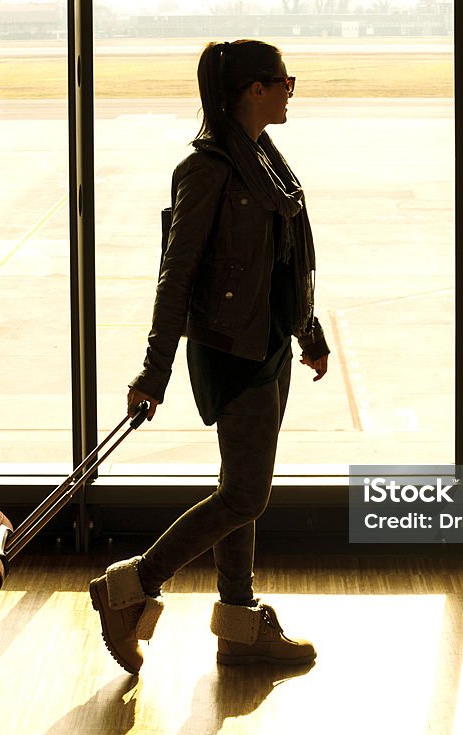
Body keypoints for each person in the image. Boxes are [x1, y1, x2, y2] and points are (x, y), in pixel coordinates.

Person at [89, 39, 330, 674]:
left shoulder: (265, 160)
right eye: (284, 82)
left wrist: (308, 331)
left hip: (270, 344)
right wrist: (154, 369)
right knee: (246, 497)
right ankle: (131, 586)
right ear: (253, 89)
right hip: (233, 350)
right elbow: (177, 277)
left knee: (239, 489)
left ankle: (239, 626)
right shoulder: (208, 170)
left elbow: (285, 262)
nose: (288, 91)